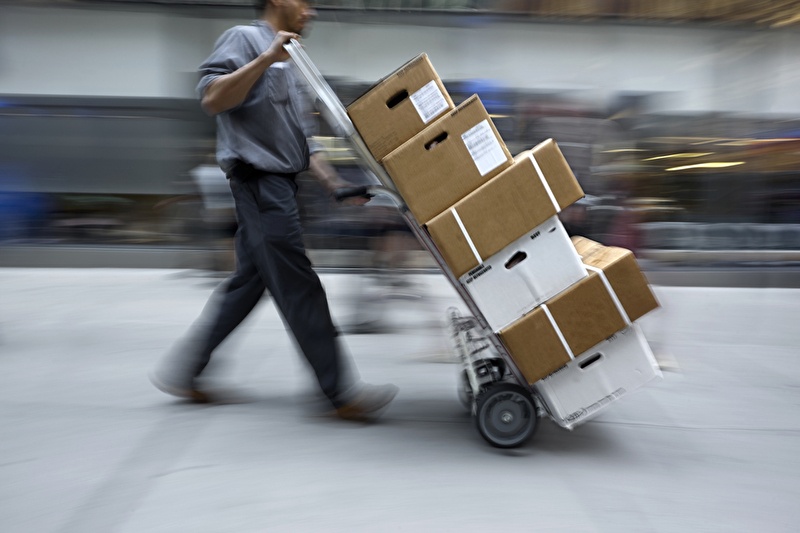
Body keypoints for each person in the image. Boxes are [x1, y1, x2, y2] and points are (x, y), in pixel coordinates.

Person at [150, 0, 398, 420]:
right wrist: (266, 58)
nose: (311, 11)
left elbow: (302, 139)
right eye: (304, 2)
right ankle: (340, 391)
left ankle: (185, 372)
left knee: (247, 285)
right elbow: (212, 98)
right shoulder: (245, 39)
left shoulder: (293, 60)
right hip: (258, 184)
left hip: (282, 186)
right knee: (299, 283)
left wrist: (335, 185)